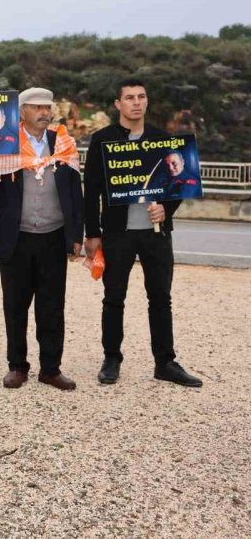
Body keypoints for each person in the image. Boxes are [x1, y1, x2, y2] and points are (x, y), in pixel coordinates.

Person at [84, 78, 202, 387]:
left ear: (146, 102)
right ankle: (111, 359)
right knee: (113, 298)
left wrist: (166, 209)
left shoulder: (163, 139)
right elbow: (91, 190)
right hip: (117, 233)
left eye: (141, 97)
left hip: (156, 233)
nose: (136, 102)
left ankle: (165, 362)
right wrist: (92, 233)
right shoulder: (102, 140)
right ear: (118, 104)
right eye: (129, 97)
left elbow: (179, 185)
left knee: (161, 298)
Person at [0, 87, 82, 391]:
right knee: (15, 306)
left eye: (48, 107)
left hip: (53, 237)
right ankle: (17, 367)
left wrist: (76, 236)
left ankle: (51, 369)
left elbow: (74, 193)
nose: (45, 113)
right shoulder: (4, 143)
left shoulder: (64, 143)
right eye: (38, 108)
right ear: (23, 112)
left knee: (52, 307)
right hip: (16, 238)